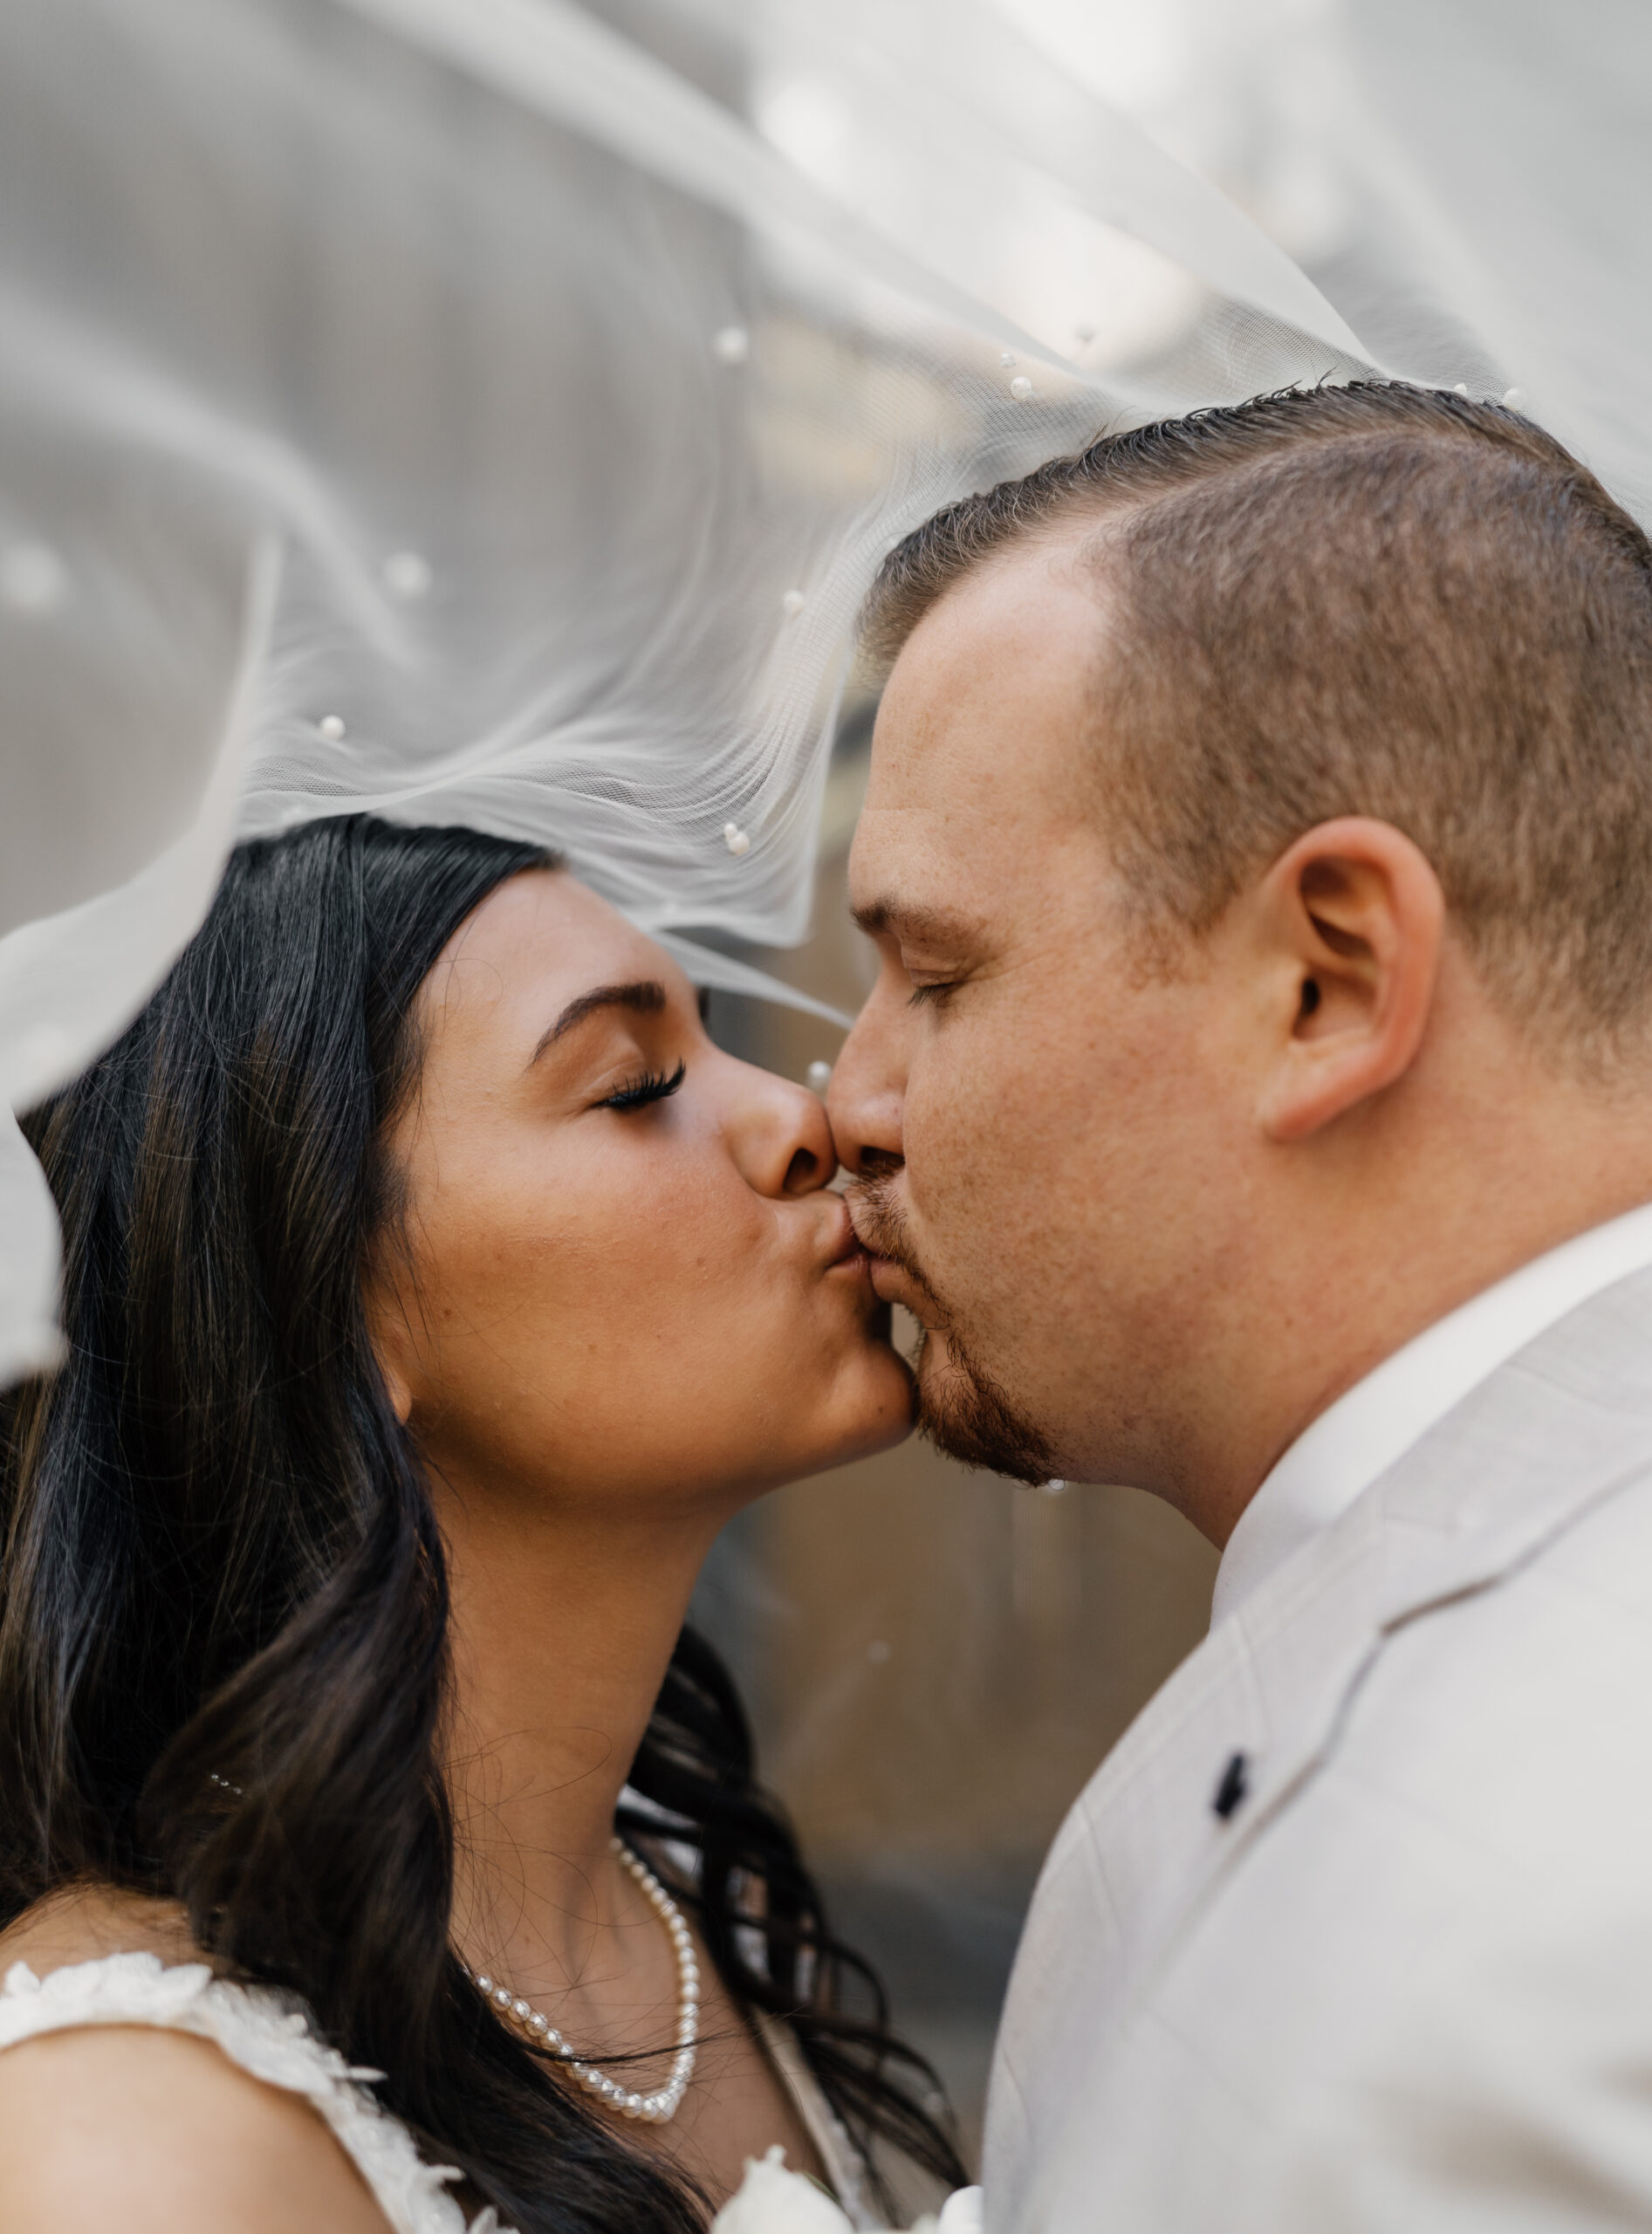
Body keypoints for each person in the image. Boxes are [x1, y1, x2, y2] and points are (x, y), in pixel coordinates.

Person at [828, 381, 1652, 2230]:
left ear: (1326, 980)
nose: (842, 1102)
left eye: (937, 975)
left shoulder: (1562, 1822)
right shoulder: (1402, 1607)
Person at [0, 816, 965, 2232]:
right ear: (324, 1310)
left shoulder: (698, 1905)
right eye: (636, 1088)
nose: (797, 1120)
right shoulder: (141, 2136)